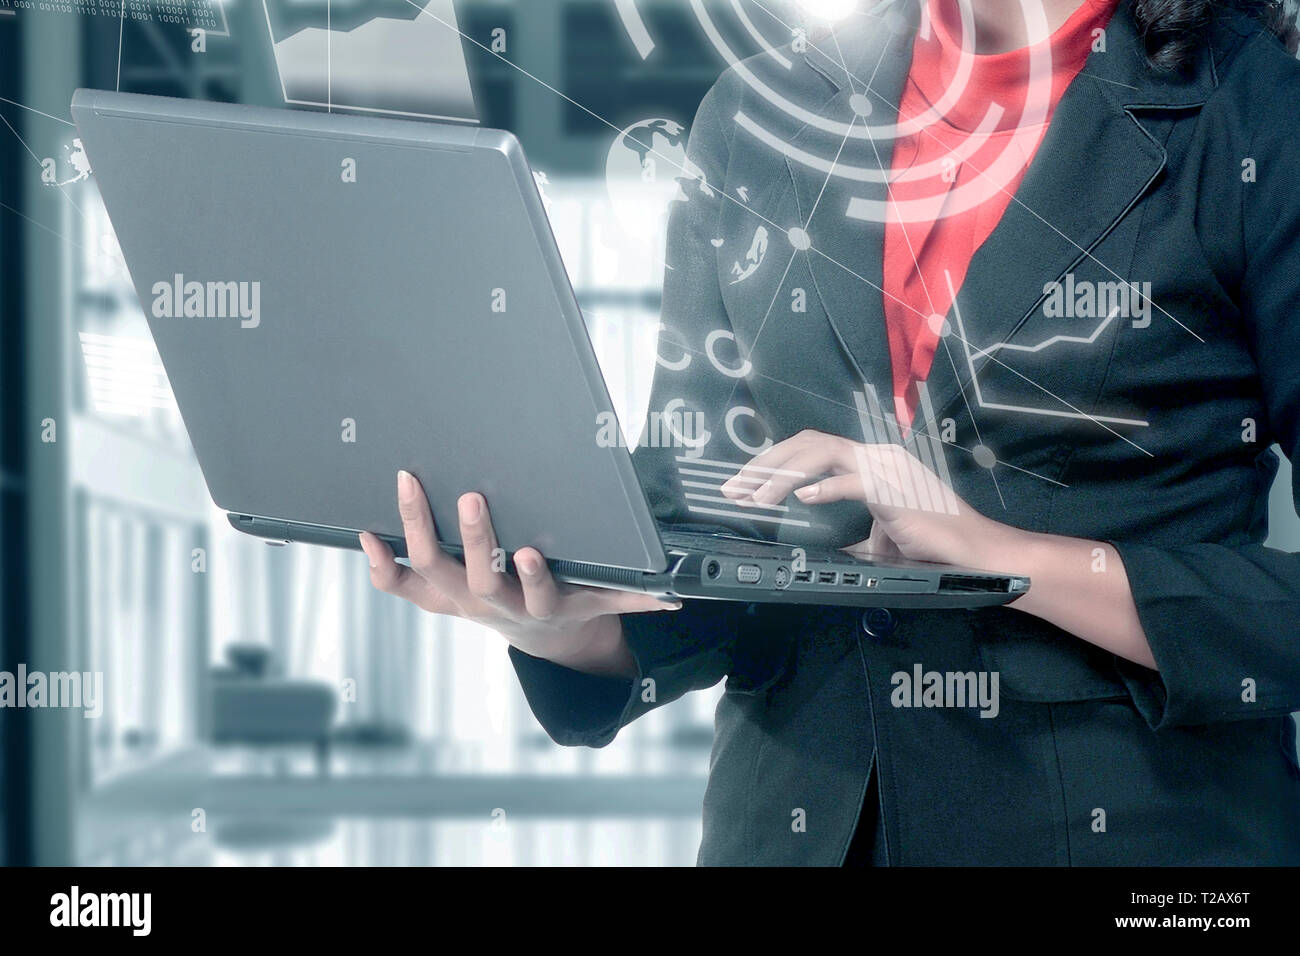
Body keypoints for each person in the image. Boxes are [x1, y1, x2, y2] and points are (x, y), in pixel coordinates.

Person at [359, 0, 1300, 864]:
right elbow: (712, 532)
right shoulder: (754, 117)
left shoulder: (1257, 117)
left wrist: (1002, 558)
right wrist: (566, 624)